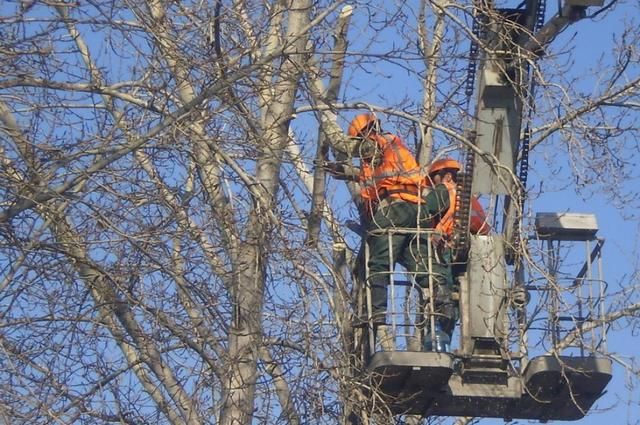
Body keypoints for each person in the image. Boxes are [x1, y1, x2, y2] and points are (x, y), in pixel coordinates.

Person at [323, 112, 450, 350]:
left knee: (379, 263)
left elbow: (342, 145)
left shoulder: (372, 143)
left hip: (394, 209)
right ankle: (440, 295)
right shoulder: (391, 148)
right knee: (421, 264)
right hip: (418, 212)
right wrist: (343, 171)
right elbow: (375, 171)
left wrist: (325, 119)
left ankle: (376, 317)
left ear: (363, 133)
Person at [422, 158, 491, 344]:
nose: (434, 184)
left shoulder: (445, 189)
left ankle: (437, 340)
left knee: (441, 293)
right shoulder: (471, 200)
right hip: (473, 255)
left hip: (448, 250)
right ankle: (445, 338)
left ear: (446, 175)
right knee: (455, 299)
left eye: (435, 179)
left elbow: (423, 211)